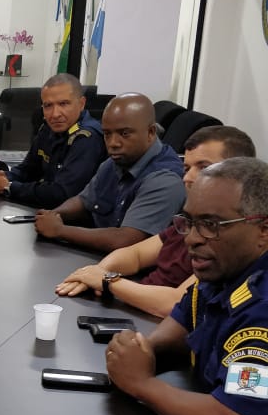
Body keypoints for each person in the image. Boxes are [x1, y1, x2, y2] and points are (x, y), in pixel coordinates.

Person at [106, 158, 268, 415]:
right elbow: (182, 322)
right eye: (190, 222)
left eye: (211, 225)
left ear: (263, 231)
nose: (192, 239)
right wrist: (142, 349)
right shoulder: (224, 271)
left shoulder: (263, 307)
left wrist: (142, 384)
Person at [56, 125, 256, 317]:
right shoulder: (188, 222)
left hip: (156, 321)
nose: (188, 177)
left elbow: (177, 303)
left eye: (204, 168)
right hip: (133, 306)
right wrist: (98, 271)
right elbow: (135, 255)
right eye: (186, 168)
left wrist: (108, 281)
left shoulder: (231, 240)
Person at [34, 93, 185, 254]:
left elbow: (125, 240)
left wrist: (60, 230)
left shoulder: (164, 179)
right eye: (107, 134)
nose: (113, 143)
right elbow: (84, 201)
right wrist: (56, 214)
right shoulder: (117, 161)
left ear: (150, 132)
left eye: (124, 133)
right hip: (100, 260)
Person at [0, 74, 105, 208]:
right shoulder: (48, 129)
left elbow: (61, 194)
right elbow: (28, 170)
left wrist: (8, 186)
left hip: (77, 222)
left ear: (81, 104)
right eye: (48, 105)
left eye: (63, 104)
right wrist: (2, 178)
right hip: (48, 214)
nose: (55, 114)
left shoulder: (87, 138)